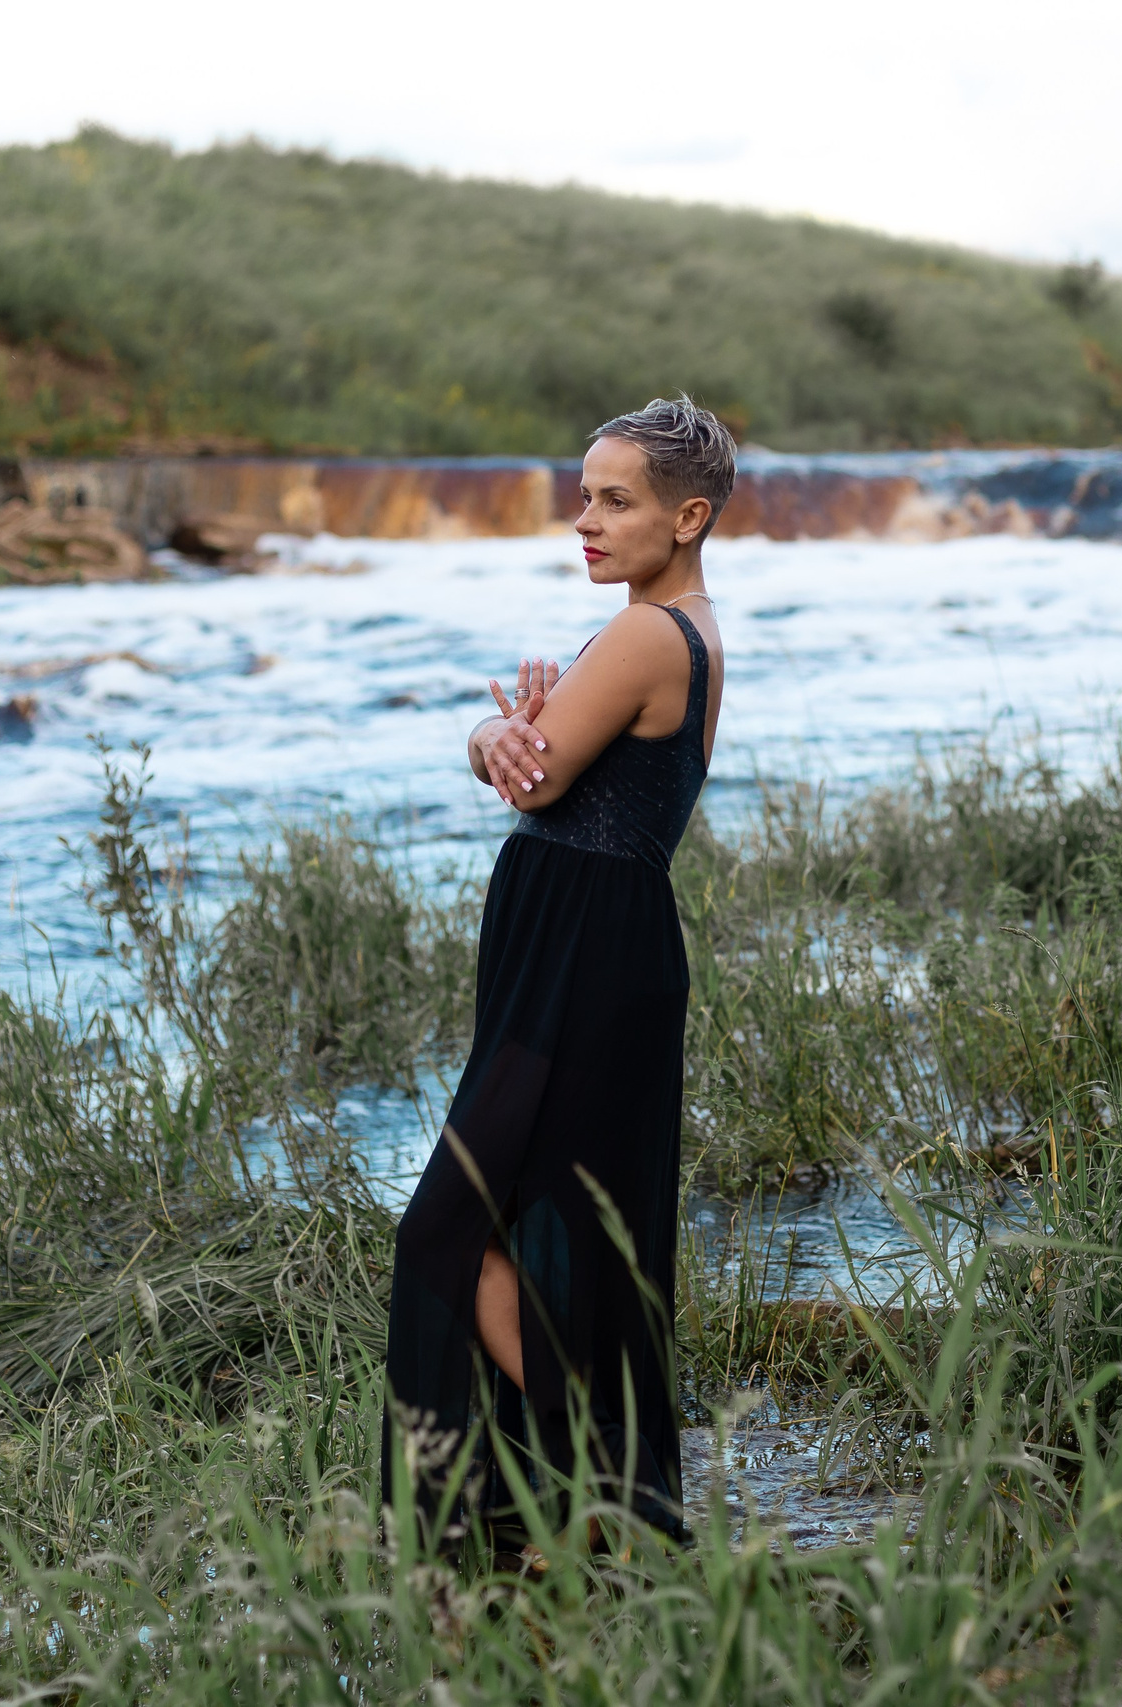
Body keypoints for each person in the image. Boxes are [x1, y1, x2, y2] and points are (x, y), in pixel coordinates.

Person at [381, 395, 733, 1548]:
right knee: (564, 1231)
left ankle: (597, 1483)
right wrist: (522, 729)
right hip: (600, 948)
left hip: (580, 955)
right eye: (583, 495)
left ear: (687, 516)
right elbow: (574, 775)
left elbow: (529, 779)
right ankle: (598, 1496)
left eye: (613, 500)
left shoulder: (640, 637)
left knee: (450, 1227)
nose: (583, 519)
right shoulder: (687, 630)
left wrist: (492, 736)